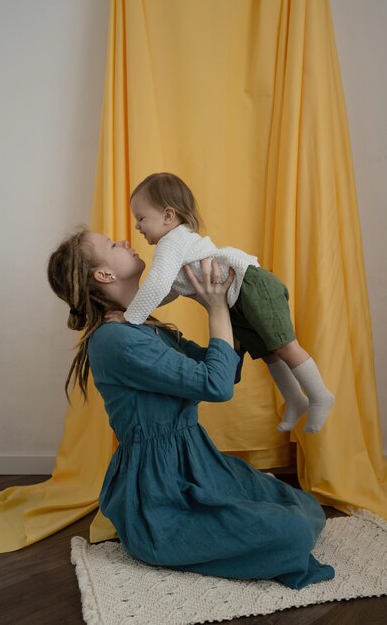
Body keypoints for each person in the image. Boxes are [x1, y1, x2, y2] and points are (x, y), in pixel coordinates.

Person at [47, 227, 335, 589]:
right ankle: (166, 535)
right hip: (158, 488)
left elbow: (224, 372)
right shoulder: (114, 340)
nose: (123, 239)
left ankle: (238, 516)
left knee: (303, 506)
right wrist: (215, 309)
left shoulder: (147, 327)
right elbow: (215, 385)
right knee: (292, 532)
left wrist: (227, 303)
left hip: (198, 460)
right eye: (110, 244)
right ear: (103, 275)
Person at [110, 172, 334, 434]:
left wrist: (130, 317)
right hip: (236, 300)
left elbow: (158, 284)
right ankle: (296, 399)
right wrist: (133, 310)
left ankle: (320, 395)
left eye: (141, 218)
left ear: (168, 216)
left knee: (285, 345)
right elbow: (167, 291)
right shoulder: (176, 242)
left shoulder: (171, 242)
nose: (137, 226)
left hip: (251, 286)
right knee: (270, 353)